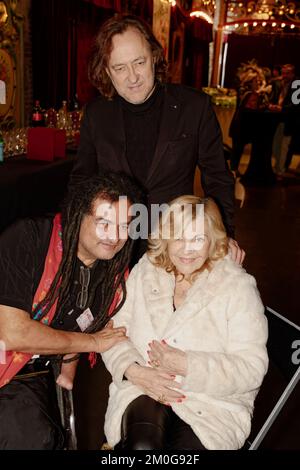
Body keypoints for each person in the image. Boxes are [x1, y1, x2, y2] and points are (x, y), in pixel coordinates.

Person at [69, 15, 244, 263]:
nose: (132, 77)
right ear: (106, 71)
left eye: (139, 62)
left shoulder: (194, 107)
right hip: (115, 248)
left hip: (176, 246)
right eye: (119, 68)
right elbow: (82, 181)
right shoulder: (97, 115)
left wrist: (225, 235)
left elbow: (217, 177)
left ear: (154, 56)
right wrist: (76, 231)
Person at [101, 195, 268, 450]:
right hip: (144, 387)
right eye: (178, 237)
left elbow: (252, 367)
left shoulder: (236, 286)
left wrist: (188, 365)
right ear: (165, 238)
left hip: (211, 404)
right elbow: (113, 333)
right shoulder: (146, 271)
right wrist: (136, 371)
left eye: (197, 239)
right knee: (141, 446)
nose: (187, 249)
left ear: (213, 239)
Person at [0, 171, 142, 449]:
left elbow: (84, 317)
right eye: (104, 223)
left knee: (39, 436)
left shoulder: (112, 272)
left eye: (124, 226)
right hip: (6, 360)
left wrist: (69, 367)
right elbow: (12, 331)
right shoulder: (29, 239)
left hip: (33, 373)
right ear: (78, 215)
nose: (115, 237)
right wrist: (91, 343)